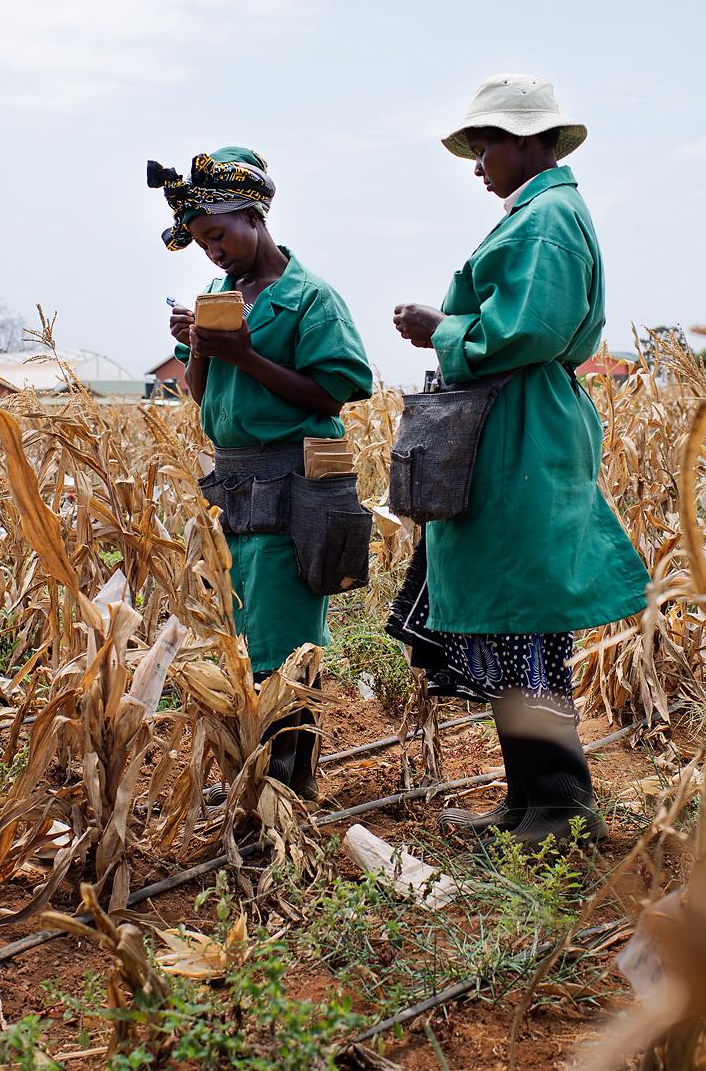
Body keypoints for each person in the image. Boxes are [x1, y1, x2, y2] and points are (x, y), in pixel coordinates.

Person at [389, 74, 649, 849]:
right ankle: (527, 800)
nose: (477, 160)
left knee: (526, 624)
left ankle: (562, 808)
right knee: (512, 624)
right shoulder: (541, 212)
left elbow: (527, 330)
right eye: (474, 144)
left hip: (522, 429)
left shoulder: (547, 218)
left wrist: (442, 327)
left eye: (487, 142)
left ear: (534, 142)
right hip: (515, 424)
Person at [161, 148, 372, 800]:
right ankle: (262, 769)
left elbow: (335, 391)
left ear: (255, 214)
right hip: (239, 489)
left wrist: (246, 354)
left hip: (294, 486)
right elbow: (199, 394)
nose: (212, 252)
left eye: (218, 234)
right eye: (199, 243)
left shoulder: (308, 299)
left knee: (289, 640)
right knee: (252, 638)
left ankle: (291, 777)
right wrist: (201, 347)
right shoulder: (220, 299)